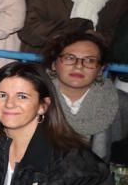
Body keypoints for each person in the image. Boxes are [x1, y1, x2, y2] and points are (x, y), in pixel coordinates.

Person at [44, 31, 127, 161]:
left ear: (100, 69)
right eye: (70, 58)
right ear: (54, 64)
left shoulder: (120, 104)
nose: (79, 66)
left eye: (90, 60)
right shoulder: (35, 97)